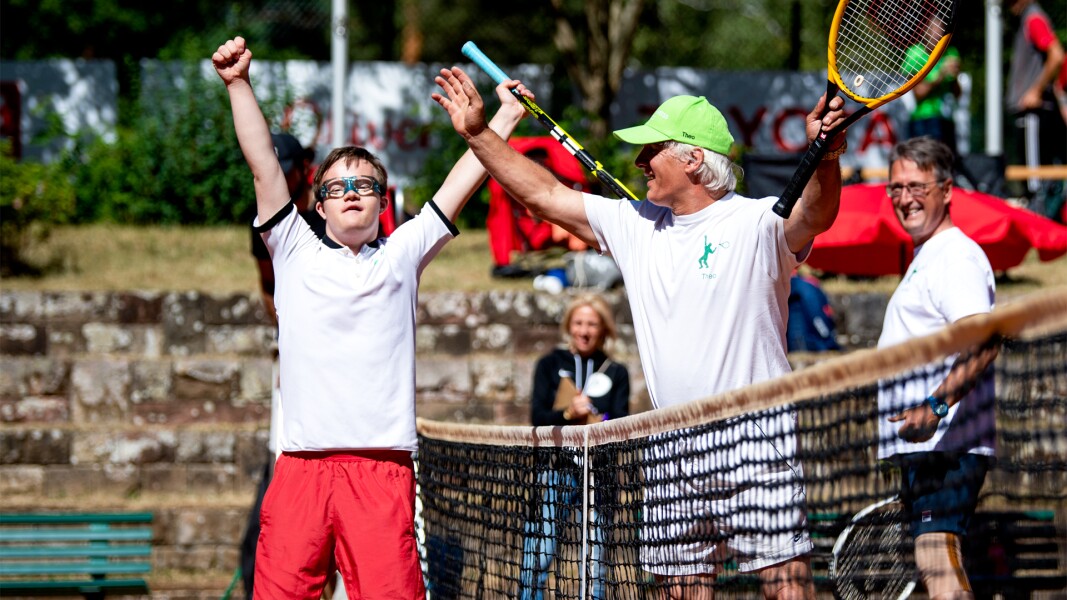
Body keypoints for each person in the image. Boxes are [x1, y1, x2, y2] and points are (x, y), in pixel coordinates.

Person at [433, 67, 849, 599]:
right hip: (672, 446)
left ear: (693, 158)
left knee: (787, 587)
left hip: (756, 443)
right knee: (678, 590)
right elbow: (544, 196)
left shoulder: (759, 221)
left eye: (650, 150)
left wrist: (827, 155)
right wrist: (477, 132)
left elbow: (816, 212)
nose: (637, 163)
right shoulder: (636, 223)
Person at [212, 37, 530, 598]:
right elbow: (263, 165)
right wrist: (239, 83)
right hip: (301, 468)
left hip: (380, 469)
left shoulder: (402, 253)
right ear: (319, 205)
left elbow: (460, 183)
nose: (351, 192)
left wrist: (502, 116)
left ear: (384, 202)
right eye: (337, 187)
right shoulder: (291, 247)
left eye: (364, 185)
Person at [877, 137, 998, 600]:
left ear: (946, 190)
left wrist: (934, 406)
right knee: (934, 564)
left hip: (946, 446)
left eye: (915, 186)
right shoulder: (927, 256)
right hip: (925, 447)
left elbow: (984, 342)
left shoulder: (955, 257)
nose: (904, 198)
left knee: (937, 560)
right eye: (895, 188)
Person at [238, 131, 320, 599]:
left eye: (282, 166)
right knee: (279, 475)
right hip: (292, 364)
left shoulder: (328, 215)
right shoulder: (265, 224)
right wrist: (287, 328)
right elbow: (268, 287)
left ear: (299, 169)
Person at [520, 293, 631, 600]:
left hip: (599, 475)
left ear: (604, 329)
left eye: (592, 324)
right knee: (540, 555)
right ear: (569, 326)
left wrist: (596, 416)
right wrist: (569, 414)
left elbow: (620, 420)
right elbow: (539, 417)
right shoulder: (549, 364)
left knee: (596, 562)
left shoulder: (615, 371)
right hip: (556, 471)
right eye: (579, 323)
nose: (584, 330)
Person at [1007, 0, 1066, 221]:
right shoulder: (1026, 19)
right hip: (1037, 112)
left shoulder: (1033, 17)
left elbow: (1056, 55)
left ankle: (1040, 223)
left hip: (1034, 114)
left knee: (1035, 179)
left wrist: (1035, 91)